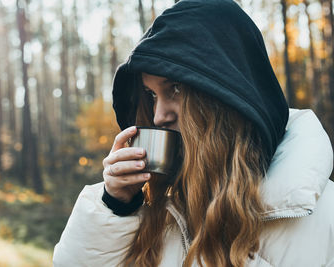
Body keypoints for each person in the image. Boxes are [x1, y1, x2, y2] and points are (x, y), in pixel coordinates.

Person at [53, 0, 334, 266]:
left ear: (227, 96)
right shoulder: (157, 206)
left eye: (175, 89)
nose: (159, 115)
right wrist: (115, 205)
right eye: (151, 95)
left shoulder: (324, 219)